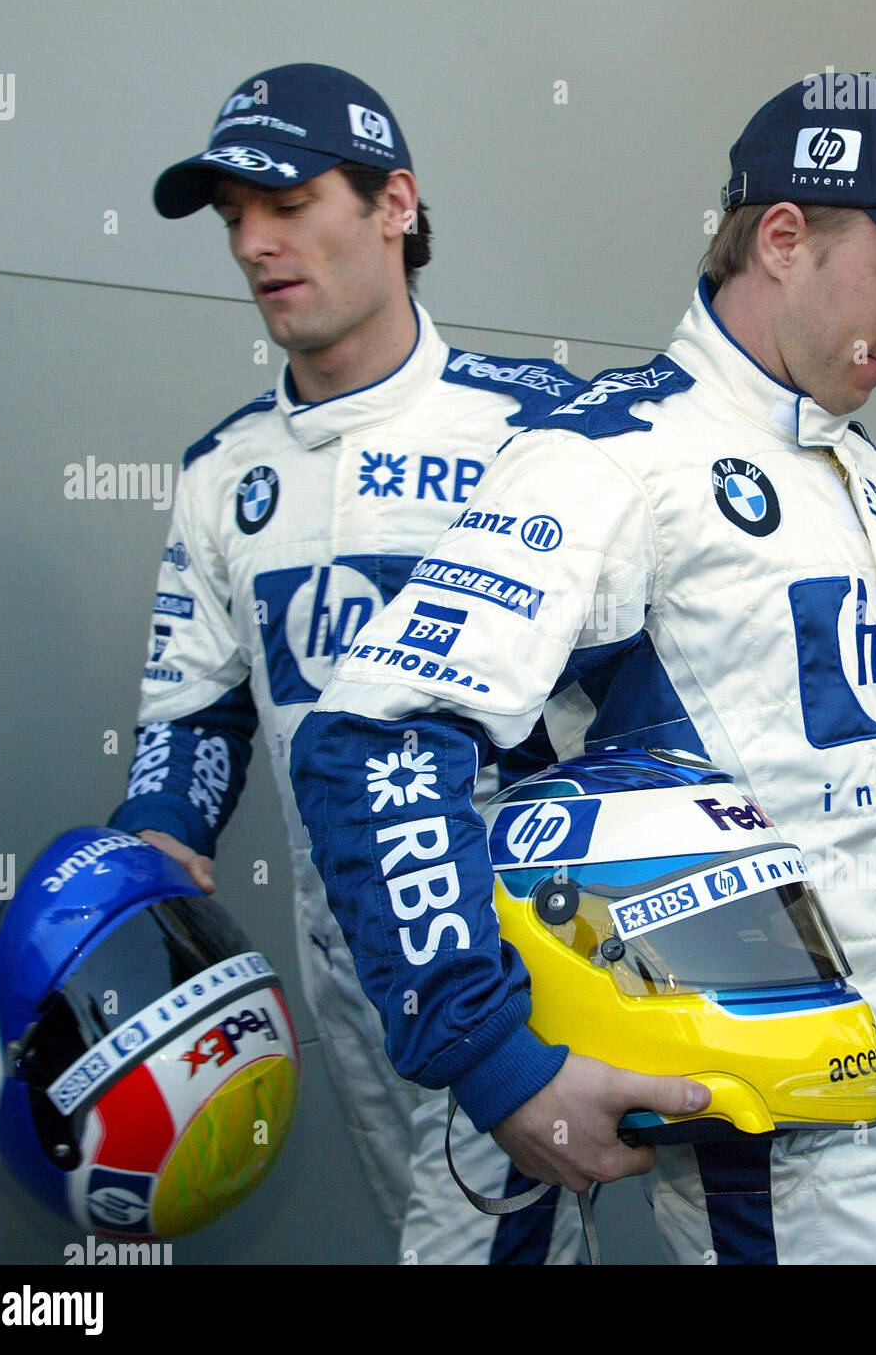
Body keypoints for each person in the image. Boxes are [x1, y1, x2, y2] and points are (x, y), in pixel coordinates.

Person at [290, 74, 876, 1264]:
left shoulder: (875, 483)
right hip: (792, 1142)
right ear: (784, 238)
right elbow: (376, 737)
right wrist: (498, 1062)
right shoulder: (607, 456)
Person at [108, 62, 585, 1265]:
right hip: (344, 956)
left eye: (288, 203)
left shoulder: (539, 424)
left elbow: (647, 680)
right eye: (234, 220)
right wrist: (165, 825)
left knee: (467, 1245)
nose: (255, 245)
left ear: (395, 206)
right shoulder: (223, 469)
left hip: (524, 935)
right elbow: (197, 701)